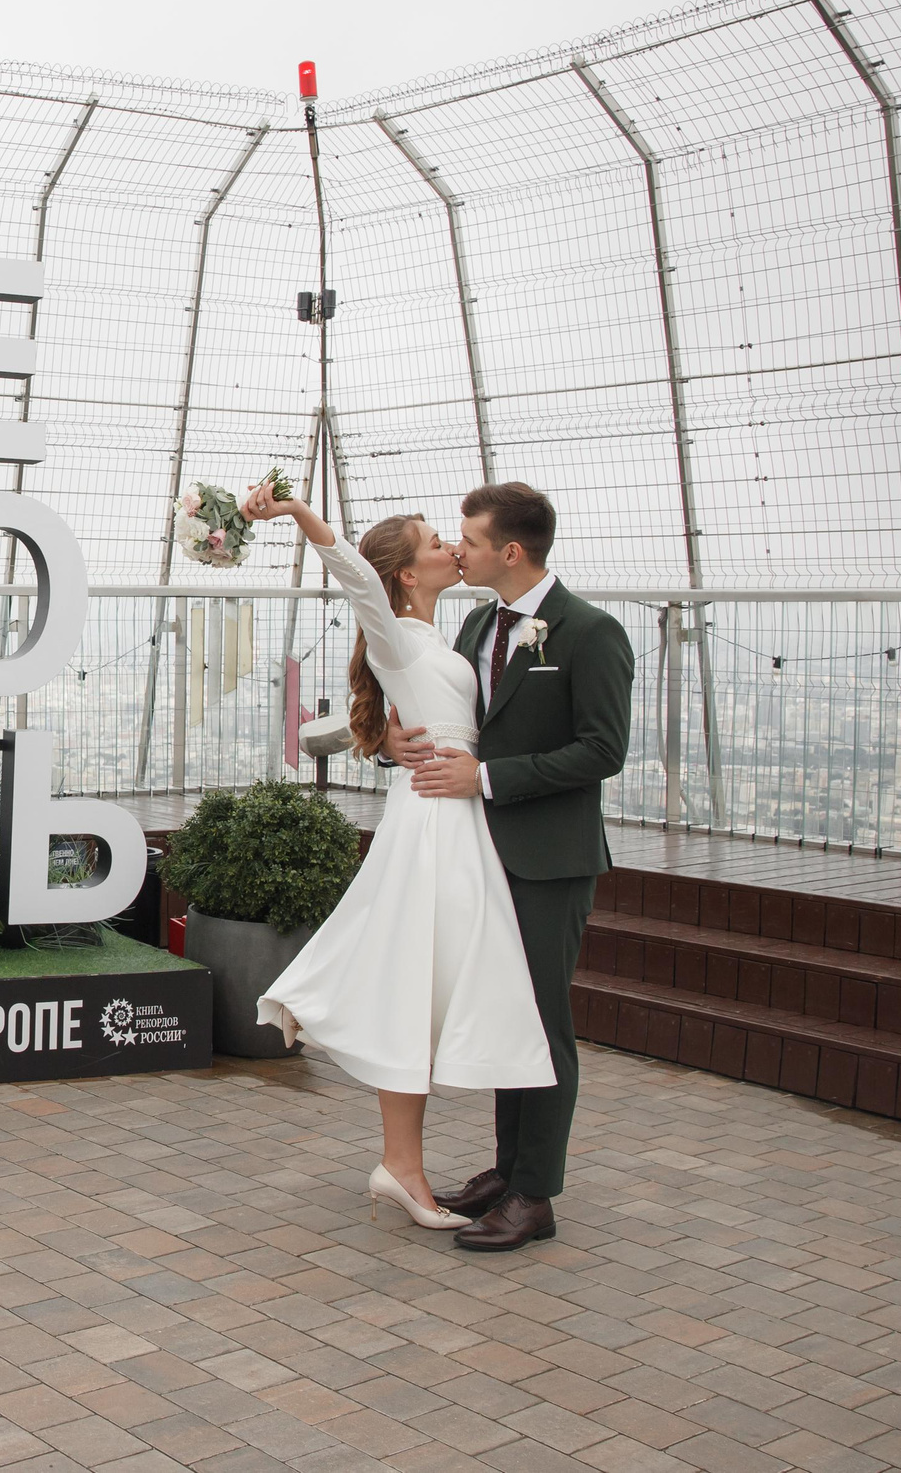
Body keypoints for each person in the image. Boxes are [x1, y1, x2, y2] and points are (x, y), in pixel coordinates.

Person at [239, 481, 556, 1234]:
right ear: (408, 574)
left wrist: (385, 737)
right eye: (434, 542)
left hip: (456, 819)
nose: (452, 545)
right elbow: (354, 573)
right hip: (433, 831)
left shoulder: (457, 634)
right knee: (412, 988)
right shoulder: (395, 632)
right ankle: (403, 1166)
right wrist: (296, 514)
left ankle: (403, 1164)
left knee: (423, 990)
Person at [384, 481, 634, 1251]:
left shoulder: (590, 632)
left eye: (471, 540)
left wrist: (485, 779)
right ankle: (508, 1169)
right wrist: (397, 743)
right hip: (482, 850)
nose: (459, 550)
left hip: (549, 859)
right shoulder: (477, 624)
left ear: (511, 551)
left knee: (544, 1021)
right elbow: (457, 720)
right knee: (503, 1009)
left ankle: (536, 1194)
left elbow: (603, 749)